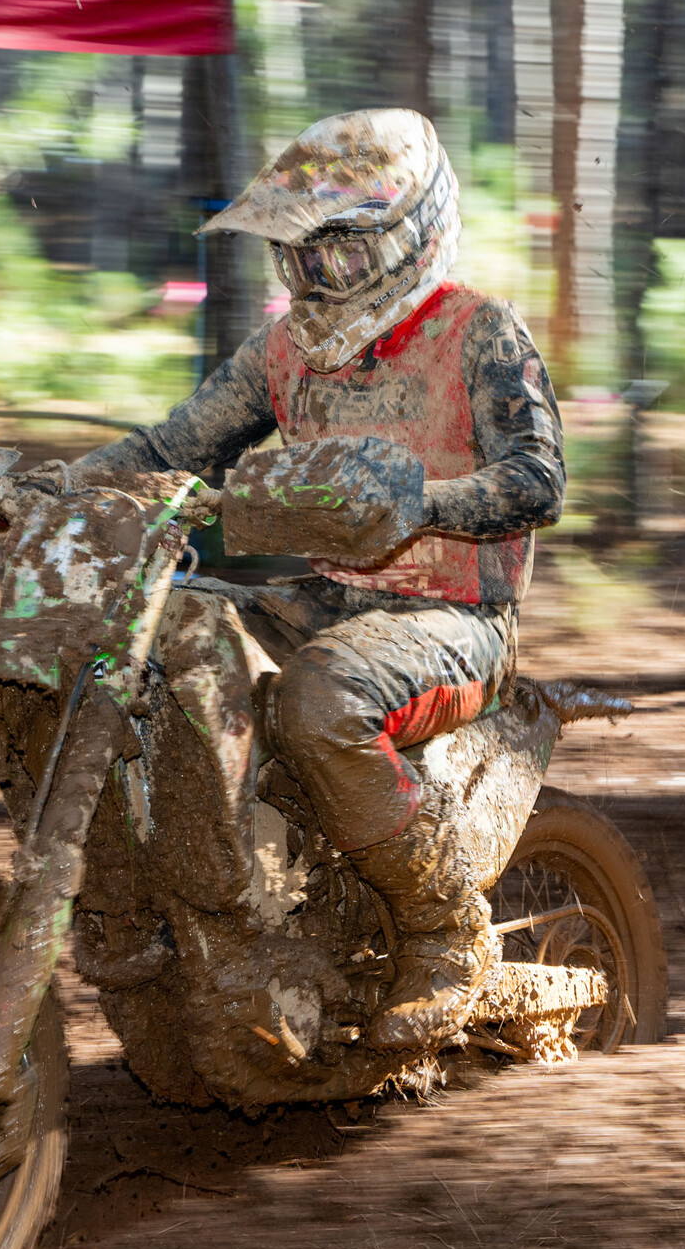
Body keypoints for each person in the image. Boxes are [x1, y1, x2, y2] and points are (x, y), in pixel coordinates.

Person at [69, 109, 565, 1050]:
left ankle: (443, 929)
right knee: (155, 643)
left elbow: (539, 479)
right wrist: (61, 483)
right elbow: (175, 445)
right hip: (329, 599)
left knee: (318, 702)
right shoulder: (282, 351)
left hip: (458, 615)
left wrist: (418, 500)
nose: (313, 279)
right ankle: (178, 901)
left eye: (338, 256)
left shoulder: (479, 331)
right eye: (297, 257)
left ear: (410, 236)